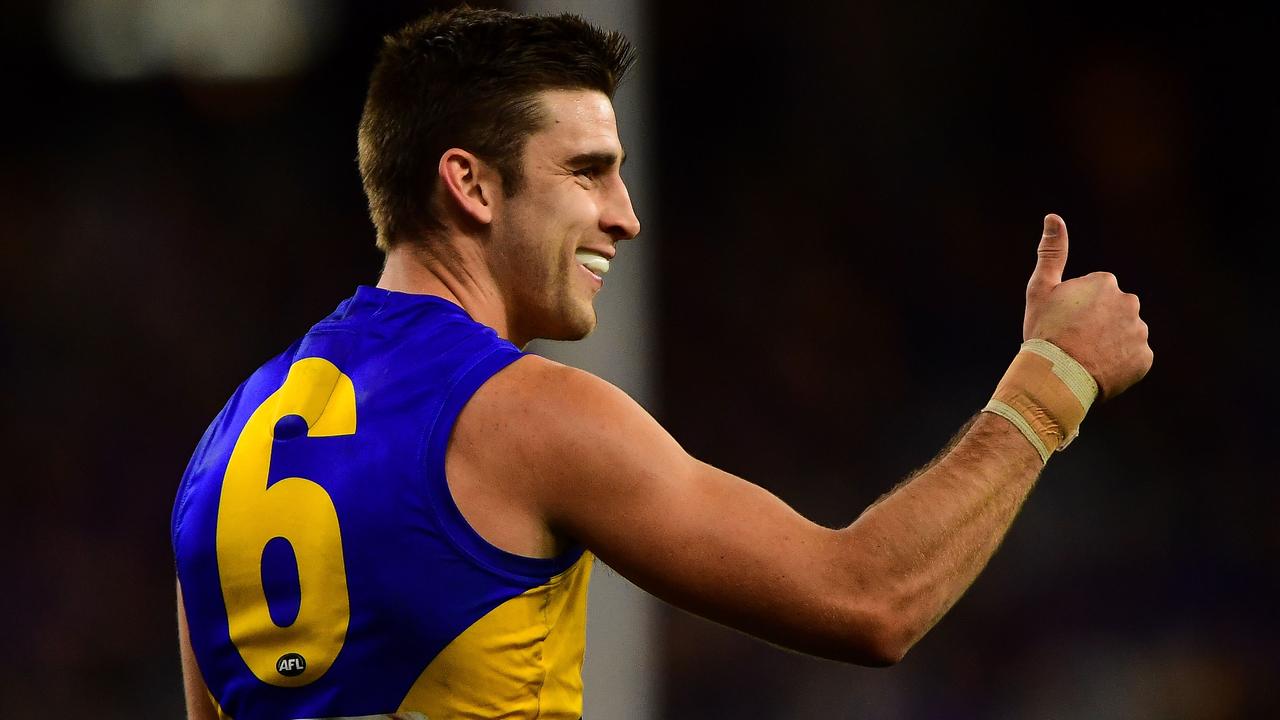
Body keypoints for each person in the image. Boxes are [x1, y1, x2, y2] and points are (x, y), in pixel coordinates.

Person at [171, 7, 1153, 720]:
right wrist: (1048, 382)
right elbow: (867, 601)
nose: (625, 215)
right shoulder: (526, 417)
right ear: (468, 184)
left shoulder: (221, 453)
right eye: (587, 170)